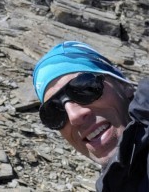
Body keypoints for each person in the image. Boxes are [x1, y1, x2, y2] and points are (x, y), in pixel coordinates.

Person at [32, 41, 149, 191]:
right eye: (54, 111)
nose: (74, 116)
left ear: (124, 86)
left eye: (85, 88)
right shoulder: (115, 182)